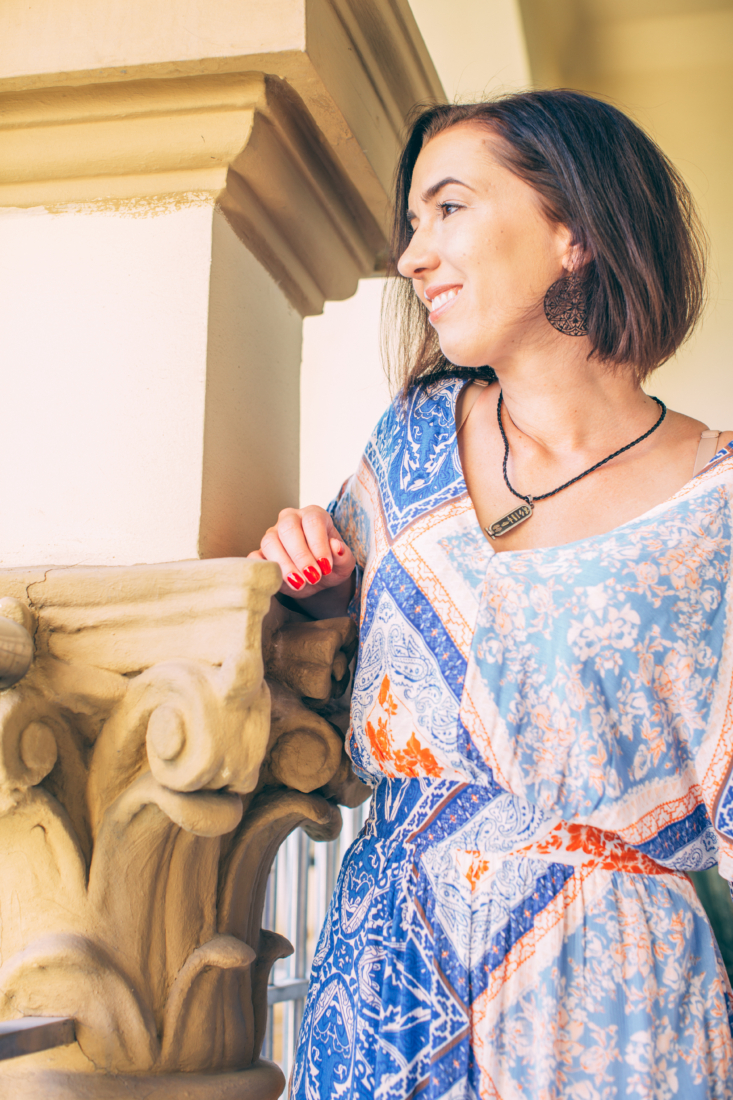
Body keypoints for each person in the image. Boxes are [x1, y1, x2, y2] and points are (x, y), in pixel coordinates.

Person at [250, 90, 733, 1098]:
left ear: (573, 231)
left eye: (449, 208)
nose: (414, 254)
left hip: (612, 1007)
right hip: (387, 977)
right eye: (412, 223)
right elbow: (340, 661)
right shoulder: (410, 447)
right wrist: (312, 584)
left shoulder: (717, 506)